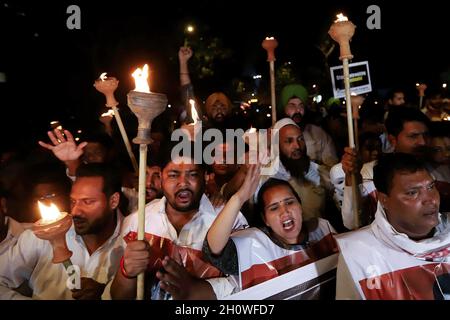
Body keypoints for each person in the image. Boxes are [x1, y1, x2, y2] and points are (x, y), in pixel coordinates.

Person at [110, 148, 248, 300]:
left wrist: (195, 290)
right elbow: (116, 295)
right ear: (161, 178)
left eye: (192, 175)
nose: (183, 183)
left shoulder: (231, 220)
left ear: (205, 178)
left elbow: (246, 285)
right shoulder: (137, 221)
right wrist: (126, 272)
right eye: (173, 175)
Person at [204, 166, 338, 297]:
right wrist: (239, 198)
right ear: (265, 219)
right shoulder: (251, 245)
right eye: (274, 208)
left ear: (300, 206)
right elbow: (213, 248)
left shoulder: (322, 228)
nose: (284, 211)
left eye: (289, 202)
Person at [0, 163, 124, 299]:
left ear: (113, 201)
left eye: (87, 202)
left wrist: (106, 292)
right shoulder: (38, 238)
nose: (75, 211)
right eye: (73, 201)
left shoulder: (130, 242)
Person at [335, 153, 450, 300]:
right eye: (412, 193)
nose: (430, 200)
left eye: (431, 187)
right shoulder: (358, 254)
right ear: (384, 200)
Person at [339, 106, 431, 229]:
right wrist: (353, 176)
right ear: (392, 139)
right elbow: (352, 221)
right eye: (413, 136)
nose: (422, 142)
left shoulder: (438, 168)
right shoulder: (372, 174)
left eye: (425, 135)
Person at [279, 84, 338, 168]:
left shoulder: (319, 133)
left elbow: (331, 166)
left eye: (301, 106)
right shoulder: (271, 135)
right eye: (292, 106)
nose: (297, 110)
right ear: (284, 109)